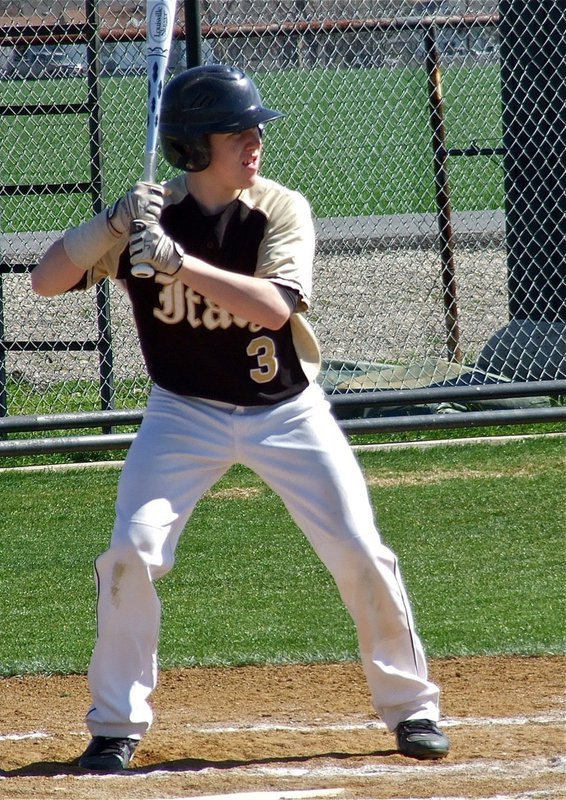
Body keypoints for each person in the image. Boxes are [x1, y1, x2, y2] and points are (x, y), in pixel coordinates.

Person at [32, 64, 450, 770]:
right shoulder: (147, 214)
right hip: (181, 413)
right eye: (237, 132)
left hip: (285, 411)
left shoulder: (280, 208)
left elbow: (273, 307)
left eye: (256, 128)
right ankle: (115, 725)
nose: (256, 140)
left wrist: (176, 262)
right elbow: (46, 281)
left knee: (358, 547)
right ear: (195, 147)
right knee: (130, 554)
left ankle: (413, 710)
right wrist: (111, 222)